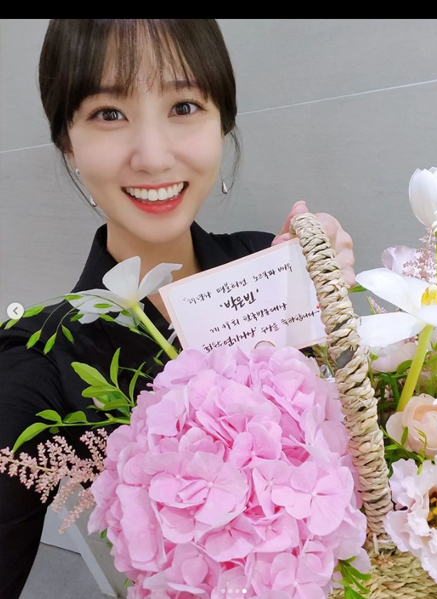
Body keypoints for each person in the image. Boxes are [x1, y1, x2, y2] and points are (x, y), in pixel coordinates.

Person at [0, 20, 356, 599]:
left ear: (223, 122)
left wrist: (333, 314)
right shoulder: (41, 358)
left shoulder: (269, 263)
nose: (153, 156)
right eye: (108, 113)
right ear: (67, 140)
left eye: (184, 106)